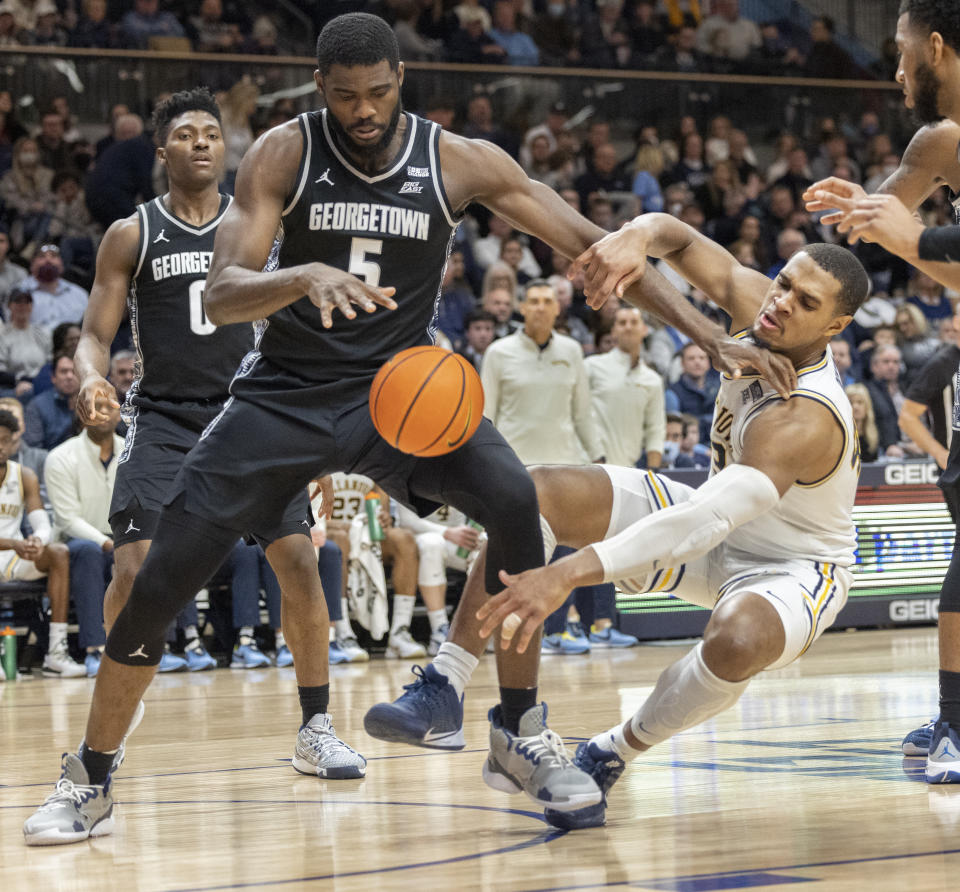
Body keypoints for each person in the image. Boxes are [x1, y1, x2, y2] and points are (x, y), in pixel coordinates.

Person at [24, 16, 794, 847]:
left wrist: (703, 332)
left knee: (512, 499)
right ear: (321, 87)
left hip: (400, 393)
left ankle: (518, 727)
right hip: (281, 397)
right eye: (347, 96)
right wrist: (300, 275)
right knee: (155, 586)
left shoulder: (459, 160)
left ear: (401, 80)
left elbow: (594, 249)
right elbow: (221, 294)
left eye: (380, 93)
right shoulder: (285, 151)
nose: (364, 110)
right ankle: (91, 777)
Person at [22, 87, 368, 846]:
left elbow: (301, 328)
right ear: (162, 151)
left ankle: (315, 727)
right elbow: (93, 331)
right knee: (135, 571)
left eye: (213, 133)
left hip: (256, 416)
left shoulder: (263, 231)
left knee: (302, 565)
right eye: (185, 133)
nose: (202, 144)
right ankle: (118, 707)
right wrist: (95, 376)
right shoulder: (131, 231)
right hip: (169, 418)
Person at [475, 225, 870, 829]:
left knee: (735, 640)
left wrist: (567, 574)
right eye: (785, 283)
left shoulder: (806, 416)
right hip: (712, 521)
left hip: (791, 567)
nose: (783, 301)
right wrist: (636, 236)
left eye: (806, 303)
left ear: (833, 329)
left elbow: (705, 517)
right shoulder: (757, 305)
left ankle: (612, 750)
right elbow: (679, 241)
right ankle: (457, 689)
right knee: (535, 491)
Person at [481, 279, 605, 467]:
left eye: (547, 302)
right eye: (534, 302)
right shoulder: (497, 352)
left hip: (564, 464)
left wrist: (597, 455)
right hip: (514, 464)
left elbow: (583, 412)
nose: (541, 308)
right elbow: (486, 415)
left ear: (557, 308)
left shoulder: (572, 350)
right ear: (522, 308)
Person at [43, 404, 124, 677]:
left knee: (153, 550)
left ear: (120, 413)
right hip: (76, 541)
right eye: (95, 407)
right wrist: (106, 542)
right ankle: (95, 649)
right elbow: (67, 519)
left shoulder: (132, 452)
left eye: (109, 406)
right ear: (82, 414)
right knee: (89, 552)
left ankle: (159, 646)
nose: (103, 413)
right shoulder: (60, 457)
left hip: (123, 535)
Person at [0, 408, 78, 676]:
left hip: (13, 557)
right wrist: (14, 544)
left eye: (5, 440)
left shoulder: (24, 475)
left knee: (57, 552)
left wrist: (37, 540)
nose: (0, 446)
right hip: (11, 548)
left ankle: (56, 652)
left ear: (13, 441)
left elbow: (41, 522)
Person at [585, 305, 665, 469]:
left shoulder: (653, 380)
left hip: (628, 470)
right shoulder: (591, 367)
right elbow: (576, 416)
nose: (628, 327)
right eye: (622, 323)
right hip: (589, 467)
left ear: (644, 329)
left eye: (634, 322)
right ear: (613, 331)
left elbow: (655, 429)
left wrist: (654, 472)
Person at [23, 351, 78, 449]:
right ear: (53, 377)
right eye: (63, 371)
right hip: (50, 461)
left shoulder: (91, 403)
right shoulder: (37, 406)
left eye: (74, 372)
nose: (69, 376)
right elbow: (33, 450)